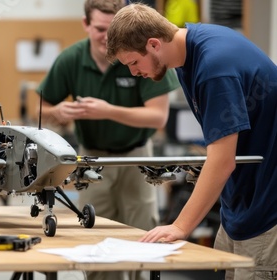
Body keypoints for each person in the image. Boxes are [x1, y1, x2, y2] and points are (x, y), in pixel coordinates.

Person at [105, 3, 277, 279]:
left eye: (134, 63)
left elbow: (222, 161)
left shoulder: (213, 67)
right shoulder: (189, 55)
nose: (134, 73)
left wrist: (180, 226)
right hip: (240, 206)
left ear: (153, 44)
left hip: (266, 212)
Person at [36, 1, 180, 279]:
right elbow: (39, 110)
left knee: (143, 237)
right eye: (100, 28)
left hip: (138, 158)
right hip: (92, 158)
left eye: (112, 29)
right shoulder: (71, 59)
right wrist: (58, 112)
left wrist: (106, 111)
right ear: (85, 24)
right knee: (95, 236)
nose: (106, 37)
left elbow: (158, 117)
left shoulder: (142, 54)